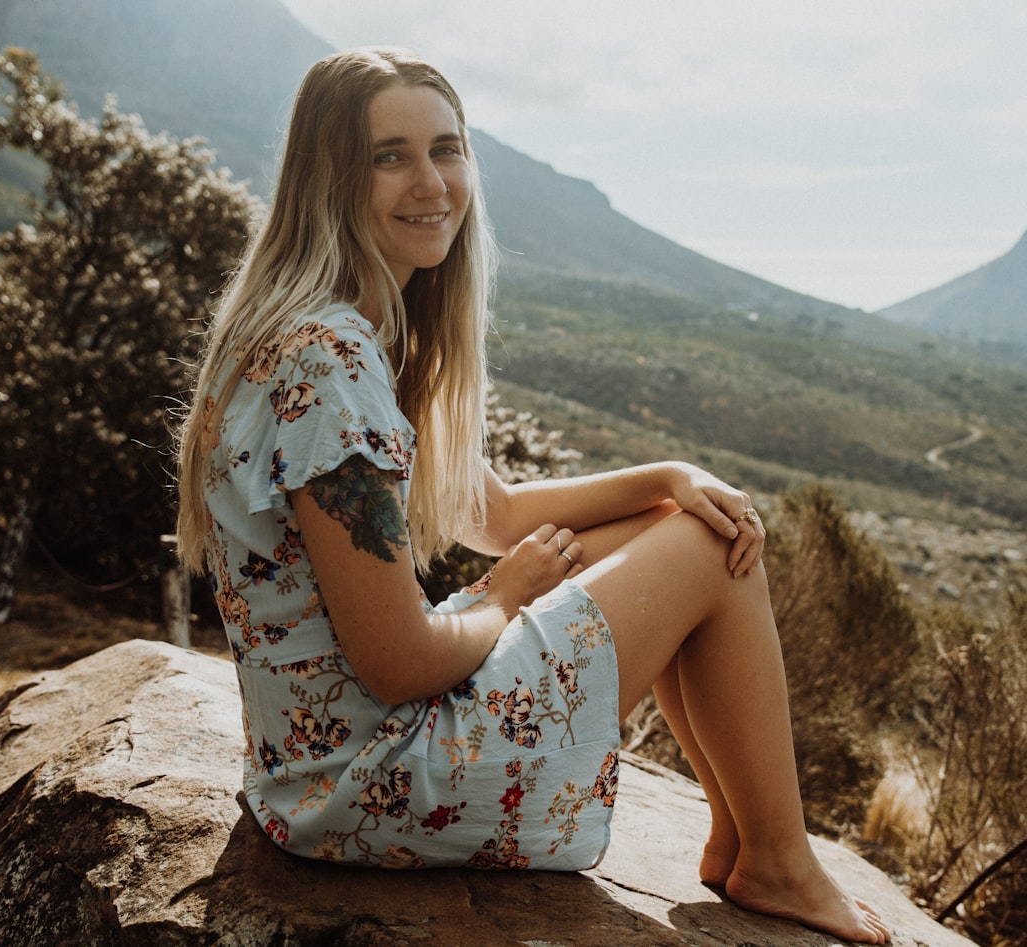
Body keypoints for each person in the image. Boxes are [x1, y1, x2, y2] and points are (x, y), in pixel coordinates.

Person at [175, 47, 890, 944]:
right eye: (389, 155)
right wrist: (505, 593)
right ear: (330, 178)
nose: (431, 181)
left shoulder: (310, 332)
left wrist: (671, 475)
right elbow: (399, 662)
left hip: (321, 776)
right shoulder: (332, 362)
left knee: (682, 520)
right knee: (708, 547)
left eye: (446, 148)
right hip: (383, 781)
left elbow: (499, 512)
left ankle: (741, 837)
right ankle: (778, 862)